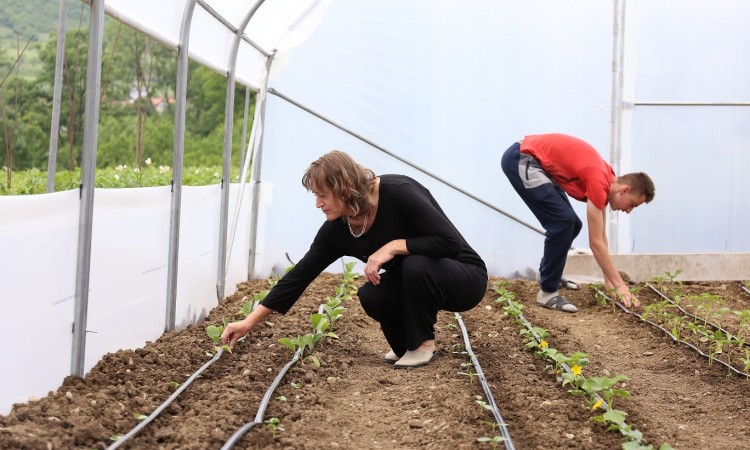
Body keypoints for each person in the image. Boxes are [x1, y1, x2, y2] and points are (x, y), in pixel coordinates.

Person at [221, 150, 488, 368]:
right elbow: (299, 276)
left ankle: (422, 344)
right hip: (414, 281)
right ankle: (406, 345)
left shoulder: (398, 191)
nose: (318, 203)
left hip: (464, 277)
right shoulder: (338, 228)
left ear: (346, 187)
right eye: (315, 195)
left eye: (323, 195)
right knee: (372, 294)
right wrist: (248, 322)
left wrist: (394, 246)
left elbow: (450, 243)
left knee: (415, 264)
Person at [501, 133, 655, 312]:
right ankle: (547, 293)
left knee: (573, 224)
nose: (628, 211)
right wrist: (620, 286)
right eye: (632, 205)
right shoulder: (599, 180)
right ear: (625, 190)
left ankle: (547, 273)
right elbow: (595, 243)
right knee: (562, 222)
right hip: (522, 158)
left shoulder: (606, 179)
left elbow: (601, 236)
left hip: (537, 161)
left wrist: (609, 279)